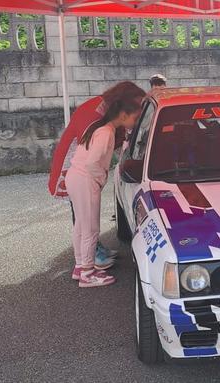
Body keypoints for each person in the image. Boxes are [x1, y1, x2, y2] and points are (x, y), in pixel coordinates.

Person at [48, 81, 146, 270]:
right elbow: (93, 159)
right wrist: (100, 177)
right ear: (124, 108)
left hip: (79, 170)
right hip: (80, 169)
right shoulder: (100, 122)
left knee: (83, 223)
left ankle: (85, 261)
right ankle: (88, 264)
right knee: (88, 224)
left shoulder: (107, 114)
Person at [66, 94, 142, 287]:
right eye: (134, 116)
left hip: (75, 176)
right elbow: (93, 163)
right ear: (123, 115)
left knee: (81, 225)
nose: (135, 121)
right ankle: (88, 273)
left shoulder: (98, 127)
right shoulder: (106, 132)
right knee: (91, 228)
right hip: (86, 179)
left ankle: (80, 265)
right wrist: (100, 180)